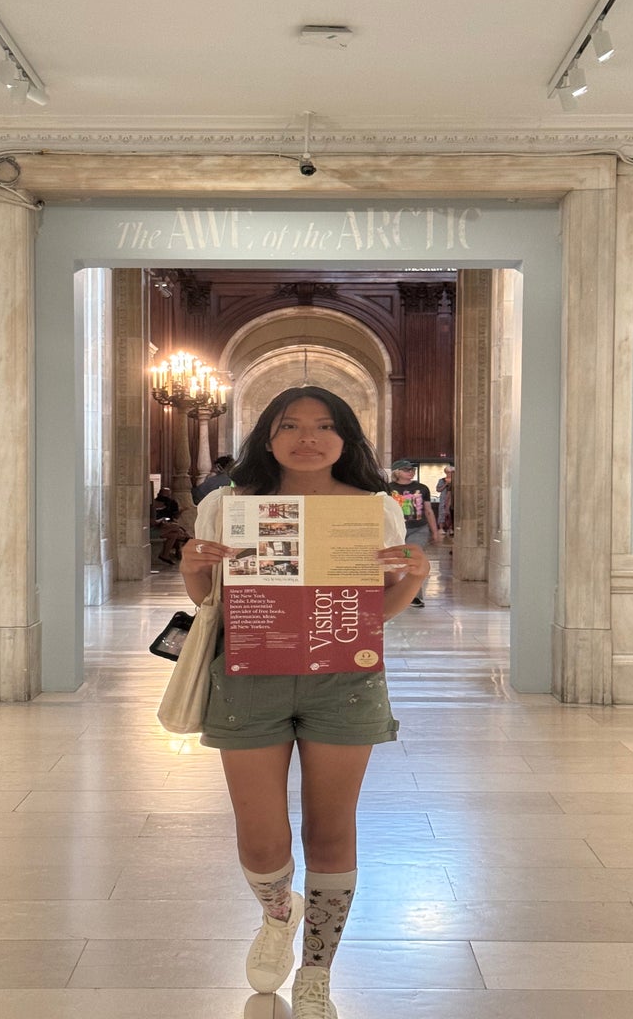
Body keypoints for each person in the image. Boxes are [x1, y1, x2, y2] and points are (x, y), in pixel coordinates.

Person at [178, 387, 429, 1019]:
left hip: (344, 679)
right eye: (290, 425)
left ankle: (317, 970)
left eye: (324, 426)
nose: (307, 437)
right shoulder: (229, 507)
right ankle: (277, 915)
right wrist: (192, 564)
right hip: (249, 677)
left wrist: (415, 581)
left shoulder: (374, 510)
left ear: (347, 439)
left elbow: (378, 612)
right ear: (268, 436)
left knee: (330, 829)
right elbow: (207, 602)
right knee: (261, 841)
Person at [387, 460, 440, 607]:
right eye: (406, 469)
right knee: (396, 562)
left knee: (413, 558)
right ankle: (395, 593)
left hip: (419, 528)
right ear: (397, 472)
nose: (411, 472)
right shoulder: (387, 488)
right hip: (396, 529)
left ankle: (414, 596)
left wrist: (435, 531)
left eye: (412, 469)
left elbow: (428, 511)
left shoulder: (421, 488)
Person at [151, 487, 190, 564]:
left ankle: (164, 555)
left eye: (168, 495)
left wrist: (181, 511)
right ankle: (186, 539)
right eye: (165, 495)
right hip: (155, 528)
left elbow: (175, 516)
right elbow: (153, 522)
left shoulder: (172, 503)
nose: (167, 497)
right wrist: (161, 520)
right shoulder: (152, 505)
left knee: (174, 534)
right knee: (175, 527)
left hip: (167, 524)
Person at [436, 464, 455, 536]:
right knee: (442, 512)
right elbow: (438, 489)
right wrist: (445, 484)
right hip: (443, 499)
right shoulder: (442, 480)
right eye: (448, 472)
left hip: (452, 499)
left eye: (451, 472)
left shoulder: (455, 480)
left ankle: (450, 528)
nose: (449, 474)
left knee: (450, 513)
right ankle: (441, 528)